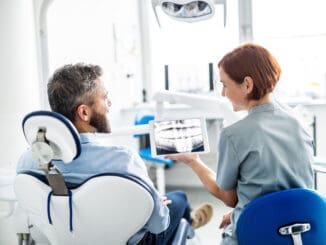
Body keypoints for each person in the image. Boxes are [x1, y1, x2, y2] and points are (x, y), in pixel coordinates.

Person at [16, 63, 213, 244]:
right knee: (178, 200)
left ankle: (189, 219)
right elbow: (158, 225)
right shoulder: (123, 160)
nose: (109, 103)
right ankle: (189, 221)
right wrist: (154, 204)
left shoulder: (28, 162)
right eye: (104, 97)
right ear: (84, 113)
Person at [165, 43, 314, 244]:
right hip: (300, 233)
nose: (222, 94)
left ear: (247, 84)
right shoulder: (300, 123)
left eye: (225, 85)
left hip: (257, 235)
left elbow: (229, 198)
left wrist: (193, 161)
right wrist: (242, 213)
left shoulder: (234, 135)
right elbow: (285, 190)